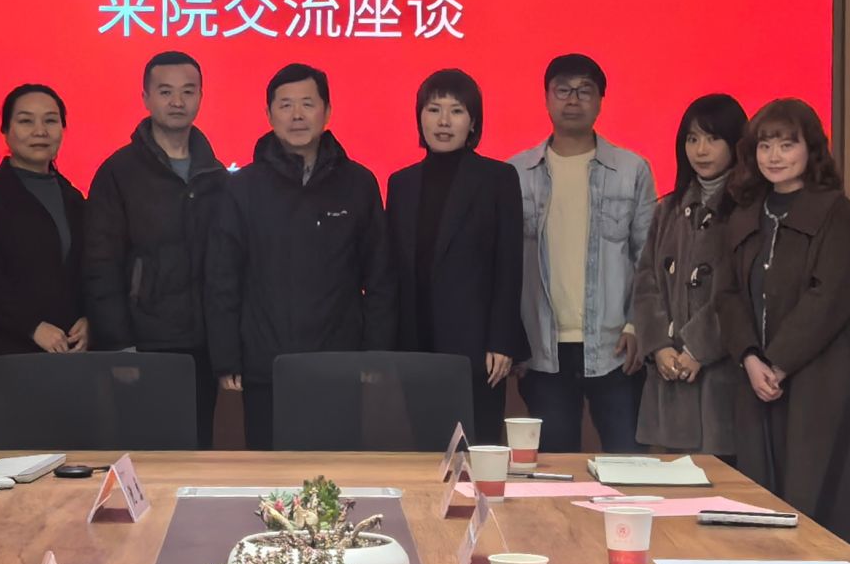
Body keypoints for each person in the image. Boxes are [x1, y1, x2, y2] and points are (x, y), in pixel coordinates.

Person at [206, 63, 394, 450]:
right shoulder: (243, 187)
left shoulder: (358, 183)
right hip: (266, 363)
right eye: (285, 105)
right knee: (269, 475)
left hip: (340, 362)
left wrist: (375, 354)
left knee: (336, 473)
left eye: (307, 104)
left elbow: (380, 276)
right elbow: (223, 276)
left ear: (327, 111)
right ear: (268, 114)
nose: (297, 115)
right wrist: (227, 358)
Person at [714, 97, 850, 517]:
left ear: (811, 149)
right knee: (757, 495)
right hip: (755, 379)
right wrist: (750, 358)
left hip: (817, 380)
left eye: (787, 145)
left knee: (809, 493)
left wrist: (778, 363)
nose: (774, 156)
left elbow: (831, 295)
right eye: (765, 146)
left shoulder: (834, 210)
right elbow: (727, 294)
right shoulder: (745, 214)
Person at [511, 54, 657, 455]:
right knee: (555, 471)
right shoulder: (515, 173)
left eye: (584, 91)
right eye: (563, 90)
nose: (573, 100)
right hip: (542, 349)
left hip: (616, 348)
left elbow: (649, 260)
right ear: (546, 97)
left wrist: (637, 327)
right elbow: (504, 267)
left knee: (630, 465)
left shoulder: (632, 170)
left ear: (600, 101)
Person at [81, 51, 228, 446]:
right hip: (143, 344)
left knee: (197, 451)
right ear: (145, 97)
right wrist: (119, 345)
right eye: (165, 92)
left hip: (202, 346)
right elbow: (100, 264)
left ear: (201, 97)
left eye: (188, 91)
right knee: (146, 455)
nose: (177, 102)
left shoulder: (217, 175)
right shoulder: (119, 171)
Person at [385, 69, 526, 444]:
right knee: (426, 451)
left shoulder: (498, 178)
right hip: (416, 345)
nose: (444, 121)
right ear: (420, 117)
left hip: (477, 348)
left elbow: (509, 265)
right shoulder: (401, 183)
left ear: (473, 121)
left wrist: (502, 340)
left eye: (457, 111)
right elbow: (394, 269)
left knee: (477, 453)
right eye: (434, 109)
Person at [0, 84, 87, 448]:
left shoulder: (74, 197)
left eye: (50, 121)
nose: (40, 131)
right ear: (6, 131)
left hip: (63, 357)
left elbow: (85, 270)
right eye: (26, 121)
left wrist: (88, 319)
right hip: (0, 353)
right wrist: (32, 326)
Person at [630, 93, 748, 458]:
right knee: (672, 476)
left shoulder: (748, 210)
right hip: (670, 372)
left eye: (713, 138)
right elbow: (646, 282)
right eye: (692, 138)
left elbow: (739, 291)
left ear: (736, 143)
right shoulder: (668, 208)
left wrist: (698, 348)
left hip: (723, 376)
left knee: (723, 478)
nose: (701, 150)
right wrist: (659, 347)